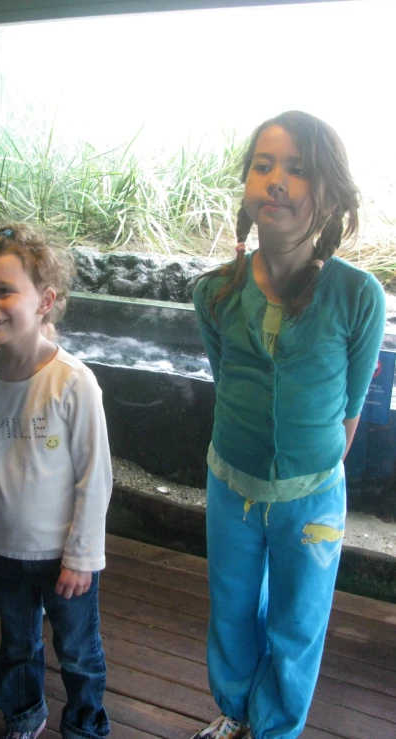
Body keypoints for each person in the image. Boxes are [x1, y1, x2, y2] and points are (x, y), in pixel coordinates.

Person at [191, 111, 385, 739]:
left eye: (298, 170)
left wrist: (310, 473)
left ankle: (275, 729)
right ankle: (235, 713)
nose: (276, 180)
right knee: (233, 610)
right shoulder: (213, 293)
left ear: (329, 195)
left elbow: (350, 407)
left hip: (314, 498)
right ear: (246, 185)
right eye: (263, 165)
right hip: (231, 487)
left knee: (299, 621)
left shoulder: (358, 296)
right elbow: (228, 381)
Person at [0, 222, 112, 739]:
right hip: (1, 550)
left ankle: (85, 725)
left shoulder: (72, 381)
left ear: (45, 301)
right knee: (17, 642)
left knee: (78, 649)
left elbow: (95, 475)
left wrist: (83, 555)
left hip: (61, 555)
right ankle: (23, 714)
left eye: (5, 290)